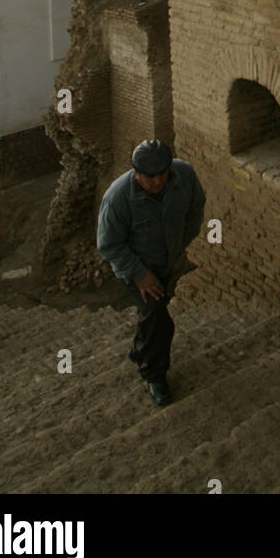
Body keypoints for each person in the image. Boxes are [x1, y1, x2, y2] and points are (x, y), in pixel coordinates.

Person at [97, 140, 205, 406]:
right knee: (159, 321)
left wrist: (181, 243)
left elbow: (195, 208)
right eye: (149, 176)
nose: (157, 181)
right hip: (137, 269)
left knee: (152, 316)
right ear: (136, 173)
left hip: (168, 261)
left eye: (162, 174)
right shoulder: (118, 198)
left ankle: (139, 351)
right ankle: (154, 376)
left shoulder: (184, 176)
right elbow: (108, 244)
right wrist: (140, 274)